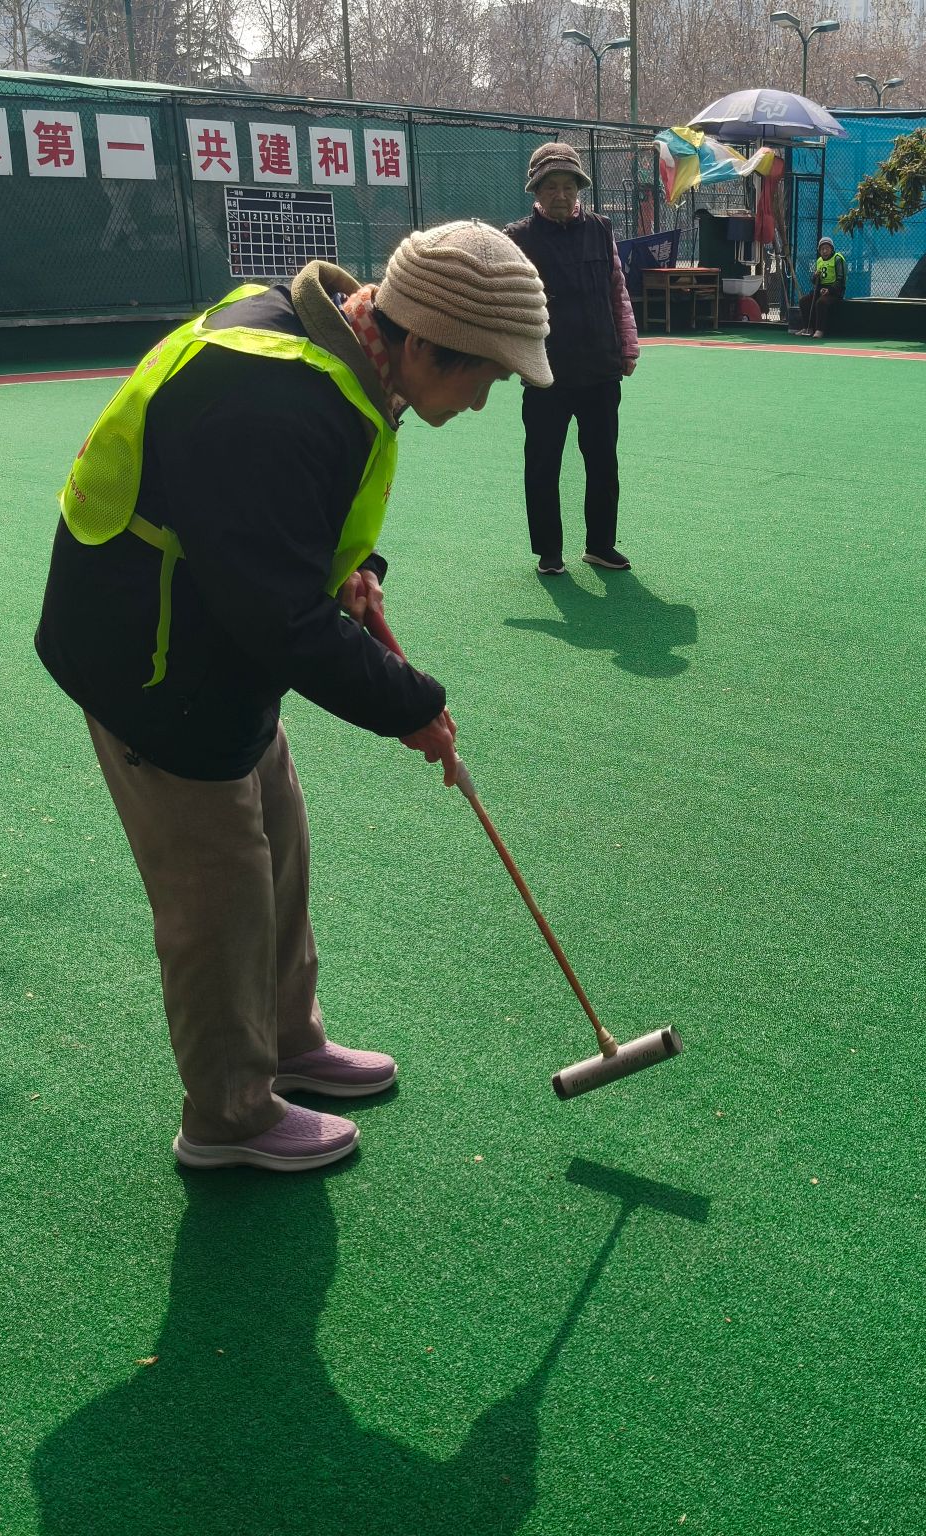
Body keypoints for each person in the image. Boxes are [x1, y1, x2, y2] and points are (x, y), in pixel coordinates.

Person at [36, 224, 553, 1174]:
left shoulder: (348, 354)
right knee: (218, 892)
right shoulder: (271, 395)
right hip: (152, 658)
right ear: (424, 343)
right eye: (485, 375)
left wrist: (356, 567)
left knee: (277, 835)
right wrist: (411, 702)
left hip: (209, 630)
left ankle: (286, 1041)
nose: (484, 399)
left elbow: (285, 533)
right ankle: (228, 1117)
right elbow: (276, 613)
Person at [503, 142, 639, 576]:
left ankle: (600, 545)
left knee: (603, 461)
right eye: (551, 187)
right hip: (545, 373)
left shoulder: (601, 228)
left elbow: (617, 289)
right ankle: (549, 552)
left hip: (600, 366)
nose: (560, 195)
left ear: (579, 188)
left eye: (568, 186)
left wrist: (628, 344)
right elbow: (505, 300)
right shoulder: (517, 238)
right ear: (536, 191)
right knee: (543, 463)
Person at [797, 237, 847, 338]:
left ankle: (820, 330)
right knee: (804, 301)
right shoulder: (819, 260)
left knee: (821, 302)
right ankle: (807, 328)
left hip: (835, 291)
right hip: (821, 290)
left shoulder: (838, 259)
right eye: (822, 249)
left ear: (832, 249)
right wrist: (815, 276)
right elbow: (814, 281)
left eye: (827, 248)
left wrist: (830, 290)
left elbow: (841, 279)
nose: (824, 251)